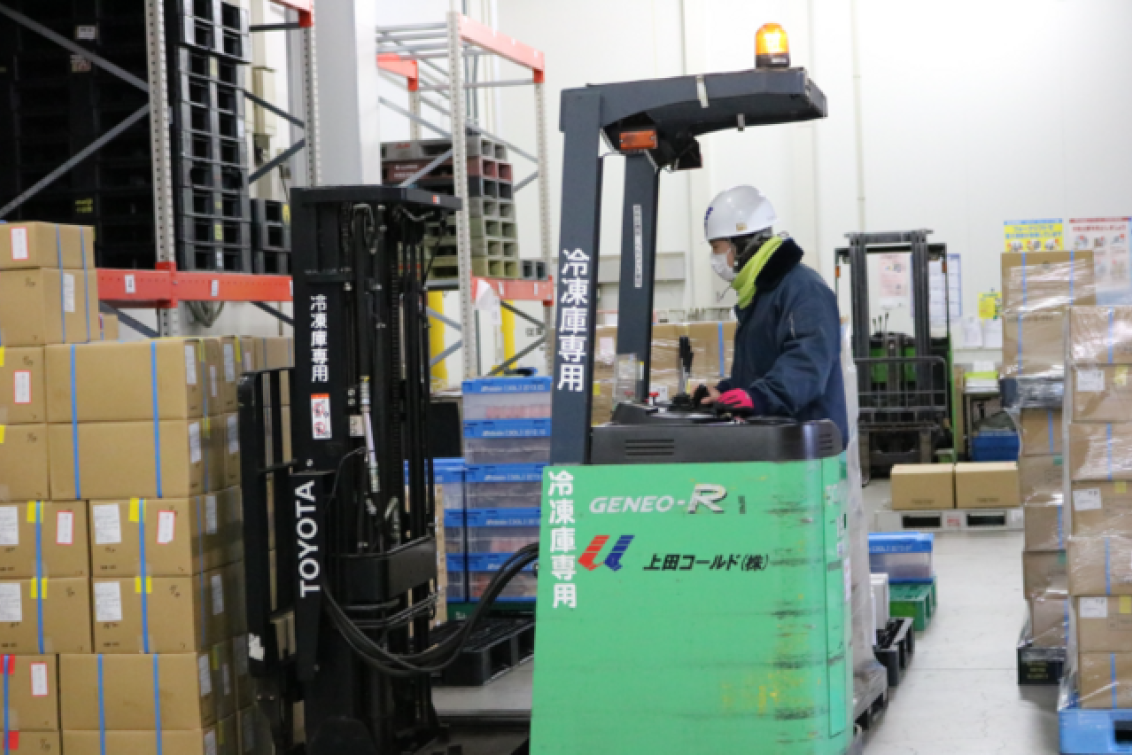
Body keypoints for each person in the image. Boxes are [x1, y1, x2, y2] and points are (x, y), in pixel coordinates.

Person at [698, 185, 850, 444]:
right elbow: (761, 371)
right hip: (777, 442)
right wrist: (725, 392)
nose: (714, 257)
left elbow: (806, 364)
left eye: (716, 247)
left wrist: (759, 398)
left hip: (807, 445)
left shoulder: (804, 290)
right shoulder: (761, 295)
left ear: (741, 244)